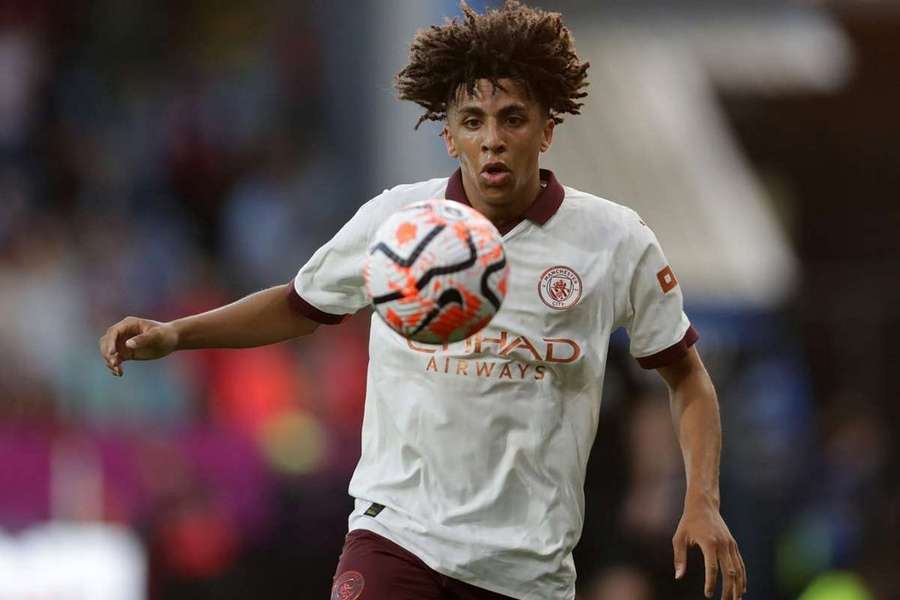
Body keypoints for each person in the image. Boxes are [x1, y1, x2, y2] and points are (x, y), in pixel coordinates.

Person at [98, 2, 747, 599]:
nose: (492, 138)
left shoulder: (614, 241)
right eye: (473, 121)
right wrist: (177, 333)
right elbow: (298, 305)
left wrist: (702, 499)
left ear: (547, 130)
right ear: (450, 137)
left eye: (512, 118)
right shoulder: (398, 223)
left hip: (527, 571)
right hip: (397, 539)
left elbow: (686, 377)